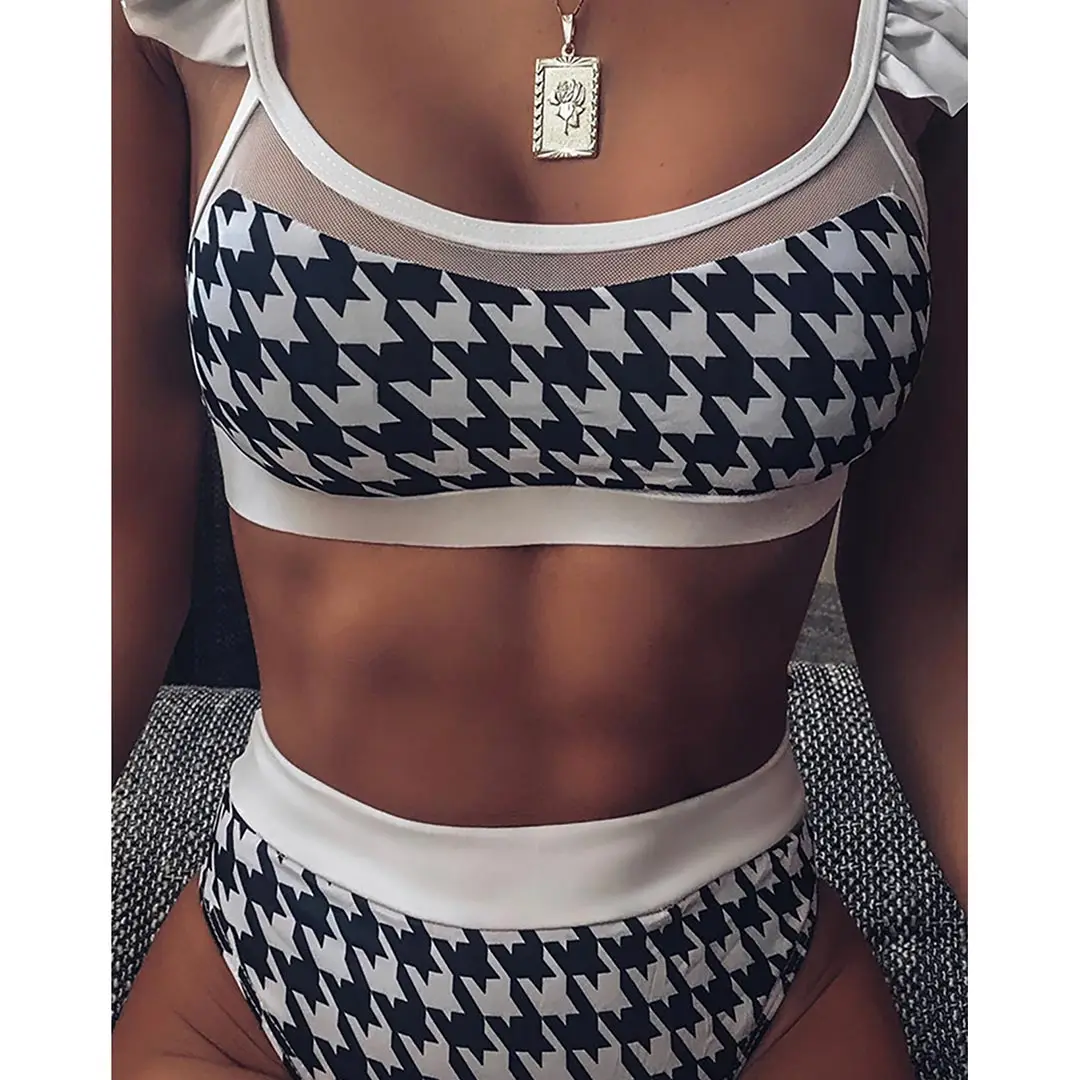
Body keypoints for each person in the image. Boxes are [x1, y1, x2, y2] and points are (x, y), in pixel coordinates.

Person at [112, 0, 967, 1076]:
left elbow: (950, 584)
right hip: (273, 982)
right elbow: (98, 553)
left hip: (754, 980)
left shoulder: (930, 29)